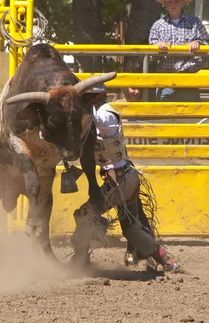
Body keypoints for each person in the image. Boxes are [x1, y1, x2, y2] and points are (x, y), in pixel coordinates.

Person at [70, 86, 180, 271]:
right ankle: (166, 261)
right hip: (125, 178)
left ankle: (81, 260)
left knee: (84, 214)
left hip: (120, 181)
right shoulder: (101, 114)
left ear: (96, 96)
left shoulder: (105, 114)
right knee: (131, 227)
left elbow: (93, 122)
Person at [148, 0, 209, 102]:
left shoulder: (195, 22)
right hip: (165, 79)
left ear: (182, 2)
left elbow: (208, 44)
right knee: (165, 115)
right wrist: (157, 46)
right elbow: (150, 52)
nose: (173, 5)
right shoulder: (158, 25)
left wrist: (198, 43)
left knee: (190, 117)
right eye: (170, 2)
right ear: (165, 5)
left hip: (188, 78)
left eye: (176, 2)